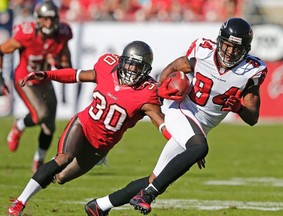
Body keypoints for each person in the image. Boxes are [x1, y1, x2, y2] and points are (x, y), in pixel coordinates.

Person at [84, 17, 268, 216]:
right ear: (219, 41)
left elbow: (252, 118)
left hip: (199, 127)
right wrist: (159, 94)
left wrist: (239, 108)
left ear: (246, 50)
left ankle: (99, 206)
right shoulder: (203, 51)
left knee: (156, 178)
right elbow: (173, 67)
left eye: (236, 48)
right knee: (200, 148)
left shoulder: (251, 71)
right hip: (181, 109)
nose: (230, 52)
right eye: (227, 45)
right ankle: (148, 196)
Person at [7, 40, 172, 216]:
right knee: (63, 158)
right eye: (130, 64)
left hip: (100, 145)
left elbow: (160, 123)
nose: (132, 70)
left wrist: (184, 143)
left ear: (145, 70)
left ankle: (44, 180)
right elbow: (77, 75)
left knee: (61, 178)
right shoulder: (107, 68)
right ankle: (18, 203)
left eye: (137, 67)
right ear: (123, 61)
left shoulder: (147, 93)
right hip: (83, 124)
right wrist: (47, 75)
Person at [0, 0, 73, 172]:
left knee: (50, 125)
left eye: (52, 19)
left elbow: (67, 65)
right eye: (45, 19)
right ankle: (19, 126)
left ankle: (38, 160)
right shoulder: (26, 33)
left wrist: (57, 63)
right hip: (25, 79)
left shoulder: (62, 33)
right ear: (38, 19)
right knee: (40, 115)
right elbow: (2, 49)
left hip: (44, 80)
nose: (49, 23)